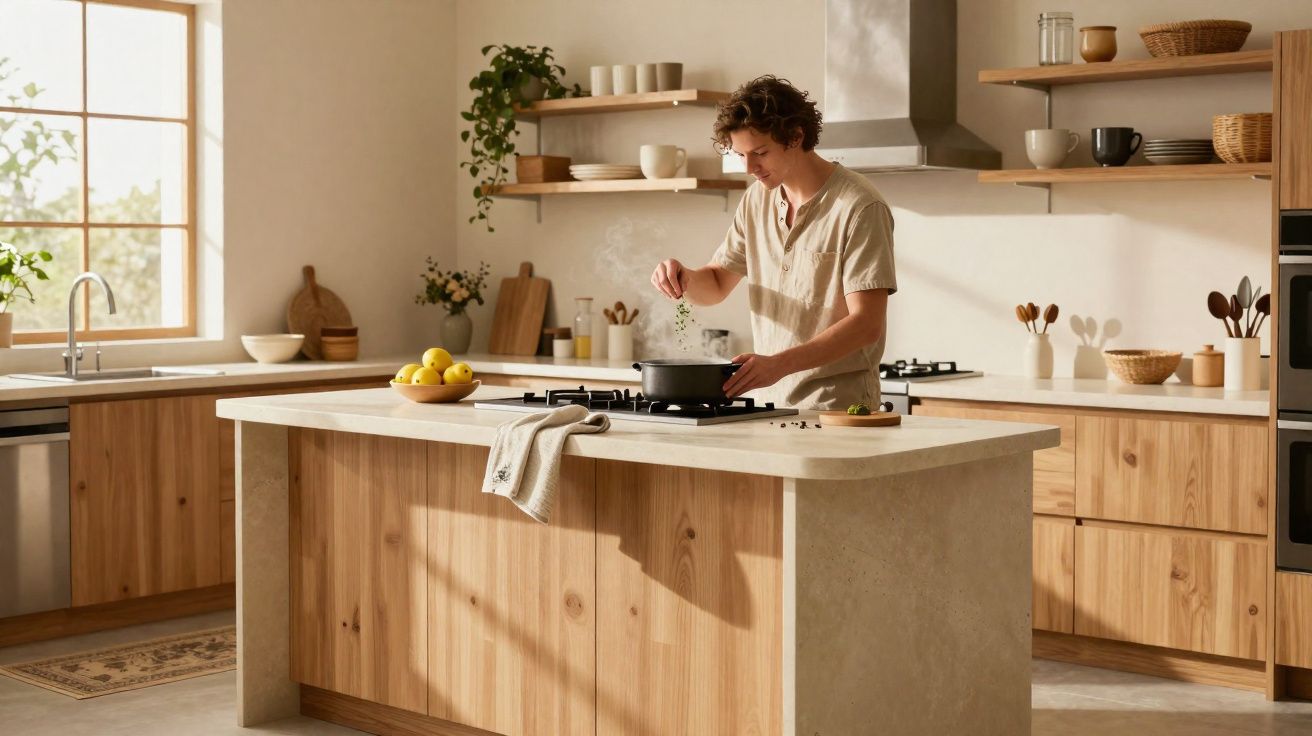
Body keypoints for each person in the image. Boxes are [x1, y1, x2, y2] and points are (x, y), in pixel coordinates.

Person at [649, 75, 897, 410]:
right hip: (768, 407)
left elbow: (866, 324)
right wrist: (684, 278)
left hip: (838, 409)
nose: (749, 167)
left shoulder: (859, 206)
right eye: (740, 155)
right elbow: (718, 283)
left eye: (760, 153)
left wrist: (777, 365)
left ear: (796, 136)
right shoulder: (756, 201)